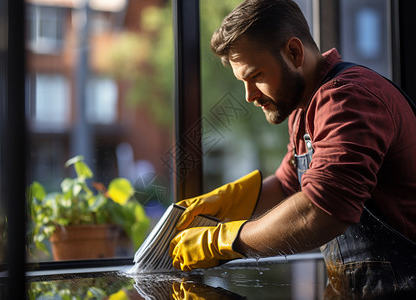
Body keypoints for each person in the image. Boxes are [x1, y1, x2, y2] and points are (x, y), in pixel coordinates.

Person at [168, 0, 416, 297]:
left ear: (294, 53)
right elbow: (288, 185)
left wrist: (221, 240)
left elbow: (322, 211)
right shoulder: (302, 109)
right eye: (243, 82)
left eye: (256, 75)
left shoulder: (347, 99)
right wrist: (226, 202)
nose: (248, 96)